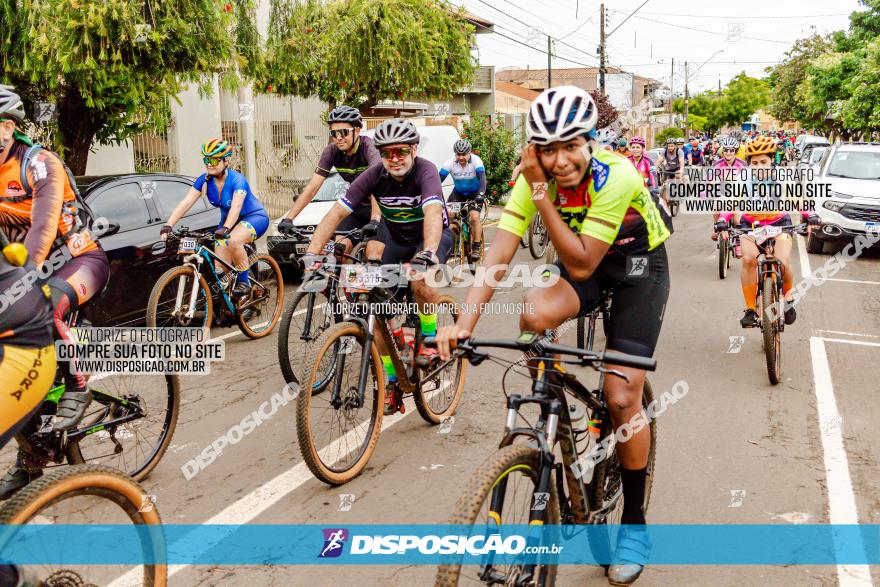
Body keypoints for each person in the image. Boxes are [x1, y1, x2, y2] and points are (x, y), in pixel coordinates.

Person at [436, 86, 671, 586]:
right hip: (583, 261)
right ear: (534, 149)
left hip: (636, 266)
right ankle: (554, 407)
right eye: (547, 149)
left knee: (620, 394)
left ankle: (634, 523)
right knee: (533, 311)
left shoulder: (618, 174)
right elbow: (497, 256)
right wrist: (464, 326)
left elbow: (585, 260)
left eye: (571, 146)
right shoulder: (531, 180)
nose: (560, 160)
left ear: (590, 141)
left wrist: (541, 191)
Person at [302, 118, 453, 415]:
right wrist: (311, 255)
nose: (394, 159)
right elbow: (334, 215)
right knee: (372, 300)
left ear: (414, 149)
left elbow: (434, 213)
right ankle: (393, 377)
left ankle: (431, 340)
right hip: (396, 237)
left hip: (430, 237)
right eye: (387, 153)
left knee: (420, 277)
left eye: (400, 152)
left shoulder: (426, 171)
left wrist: (430, 252)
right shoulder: (373, 175)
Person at [0, 85, 109, 436]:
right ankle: (31, 461)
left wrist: (24, 278)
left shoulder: (38, 163)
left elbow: (44, 225)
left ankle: (79, 385)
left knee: (43, 305)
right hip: (27, 269)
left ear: (7, 127)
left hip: (78, 259)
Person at [713, 135, 819, 328]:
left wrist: (810, 214)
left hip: (780, 224)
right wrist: (722, 219)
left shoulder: (782, 177)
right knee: (748, 260)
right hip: (751, 225)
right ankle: (751, 309)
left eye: (764, 161)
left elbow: (798, 199)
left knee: (783, 261)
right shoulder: (741, 179)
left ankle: (787, 299)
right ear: (748, 164)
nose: (759, 166)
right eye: (754, 163)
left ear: (772, 160)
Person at [160, 139, 270, 298]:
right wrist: (169, 224)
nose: (209, 164)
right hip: (227, 223)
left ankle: (244, 282)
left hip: (254, 218)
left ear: (226, 160)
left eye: (213, 160)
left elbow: (236, 207)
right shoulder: (204, 181)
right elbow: (186, 202)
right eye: (206, 160)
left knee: (234, 240)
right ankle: (230, 307)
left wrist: (226, 228)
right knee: (220, 273)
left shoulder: (238, 180)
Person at [277, 106, 382, 258]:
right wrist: (288, 218)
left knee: (373, 252)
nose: (338, 137)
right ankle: (345, 282)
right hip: (357, 208)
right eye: (334, 133)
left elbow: (377, 185)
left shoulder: (370, 148)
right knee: (340, 248)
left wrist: (375, 219)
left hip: (380, 208)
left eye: (344, 132)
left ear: (357, 130)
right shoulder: (331, 151)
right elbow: (312, 188)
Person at [439, 139, 486, 260]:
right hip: (458, 193)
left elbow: (482, 180)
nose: (461, 157)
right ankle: (453, 240)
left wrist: (481, 194)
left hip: (475, 193)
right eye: (458, 154)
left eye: (463, 154)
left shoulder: (476, 161)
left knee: (474, 217)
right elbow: (437, 181)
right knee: (449, 214)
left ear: (469, 153)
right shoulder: (449, 163)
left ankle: (476, 247)